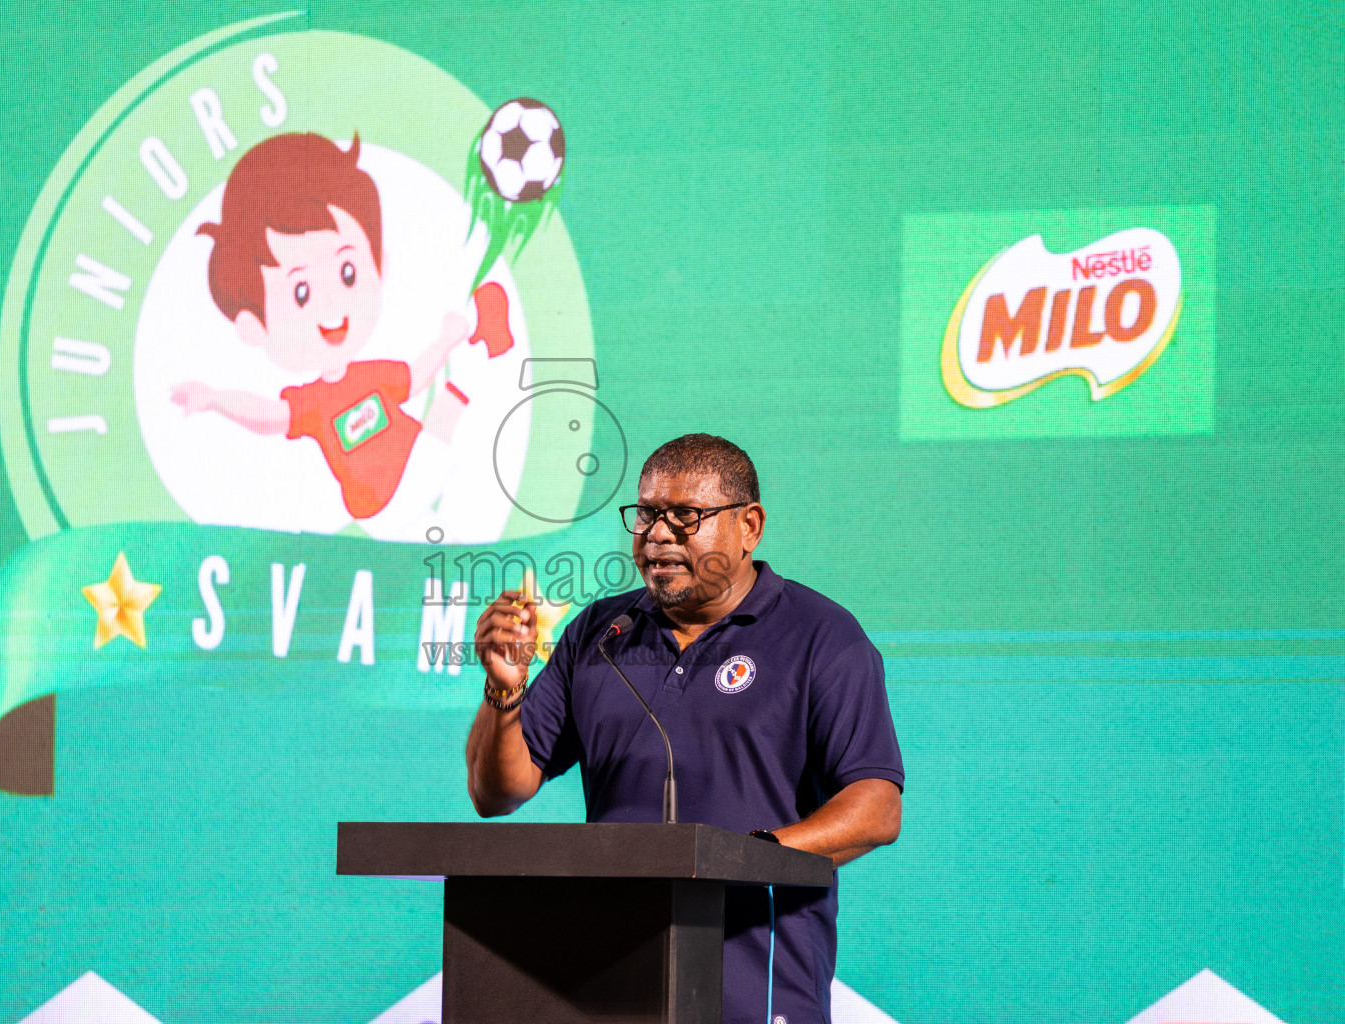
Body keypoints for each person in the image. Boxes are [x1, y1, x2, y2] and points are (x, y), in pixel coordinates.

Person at [465, 433, 903, 1024]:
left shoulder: (821, 636)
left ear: (749, 526)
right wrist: (504, 688)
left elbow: (876, 808)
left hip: (756, 986)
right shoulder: (602, 633)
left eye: (685, 517)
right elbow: (497, 793)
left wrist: (746, 858)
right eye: (646, 515)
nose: (657, 535)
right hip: (611, 982)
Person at [170, 132, 512, 532]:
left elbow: (416, 378)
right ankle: (482, 350)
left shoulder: (371, 375)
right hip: (379, 512)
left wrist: (445, 340)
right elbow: (269, 415)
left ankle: (484, 346)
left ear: (378, 265)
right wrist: (215, 399)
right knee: (434, 515)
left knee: (446, 414)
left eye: (347, 273)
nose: (331, 307)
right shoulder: (311, 403)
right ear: (254, 327)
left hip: (418, 464)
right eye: (301, 292)